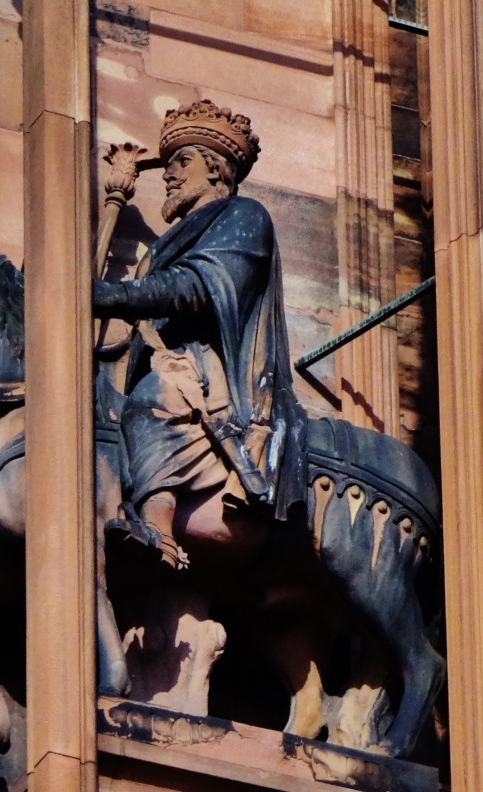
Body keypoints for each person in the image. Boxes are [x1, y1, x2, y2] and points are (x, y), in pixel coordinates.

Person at [94, 100, 305, 569]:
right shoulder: (171, 242)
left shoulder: (244, 217)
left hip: (218, 365)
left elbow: (199, 286)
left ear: (216, 169)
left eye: (181, 162)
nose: (169, 175)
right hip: (172, 355)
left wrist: (113, 296)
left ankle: (158, 529)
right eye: (168, 165)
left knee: (155, 397)